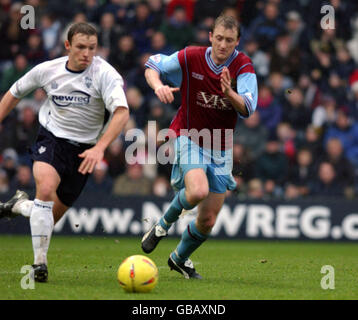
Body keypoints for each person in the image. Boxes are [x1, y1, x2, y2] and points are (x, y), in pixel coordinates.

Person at [0, 22, 129, 282]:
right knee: (46, 190)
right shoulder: (47, 70)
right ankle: (39, 265)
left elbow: (122, 112)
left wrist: (100, 148)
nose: (86, 54)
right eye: (81, 47)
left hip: (86, 151)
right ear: (67, 45)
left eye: (92, 48)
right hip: (53, 139)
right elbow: (14, 92)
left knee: (48, 217)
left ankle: (21, 205)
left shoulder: (106, 74)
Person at [141, 14, 257, 279]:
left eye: (229, 40)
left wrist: (230, 93)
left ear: (237, 41)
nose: (223, 45)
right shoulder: (189, 56)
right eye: (219, 38)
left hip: (221, 145)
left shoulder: (243, 66)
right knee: (197, 190)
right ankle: (161, 226)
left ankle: (179, 258)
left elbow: (248, 108)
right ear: (210, 37)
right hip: (189, 134)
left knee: (207, 221)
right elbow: (151, 65)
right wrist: (158, 86)